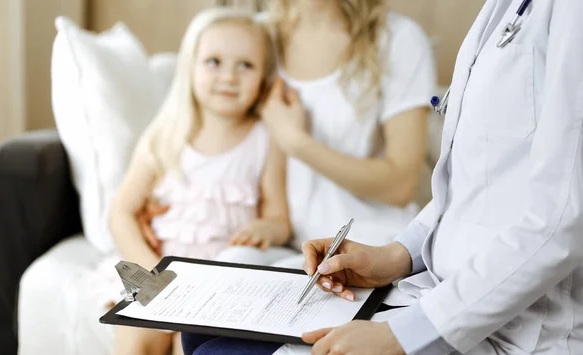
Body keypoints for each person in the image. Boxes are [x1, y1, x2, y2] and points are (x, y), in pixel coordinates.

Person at [198, 0, 583, 354]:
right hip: (439, 290)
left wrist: (405, 335)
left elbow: (563, 220)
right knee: (199, 329)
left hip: (514, 329)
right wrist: (395, 255)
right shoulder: (504, 9)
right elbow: (473, 188)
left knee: (219, 351)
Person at [139, 0, 435, 272]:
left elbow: (401, 185)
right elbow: (209, 131)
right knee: (230, 268)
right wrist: (167, 204)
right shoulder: (255, 36)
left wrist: (297, 142)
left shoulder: (397, 39)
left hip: (370, 247)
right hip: (282, 246)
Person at [99, 7, 288, 355]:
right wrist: (148, 273)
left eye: (245, 65)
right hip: (155, 273)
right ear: (190, 67)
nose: (229, 76)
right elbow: (121, 212)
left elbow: (279, 219)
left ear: (264, 77)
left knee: (187, 347)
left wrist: (266, 229)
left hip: (214, 286)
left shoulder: (265, 140)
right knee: (136, 342)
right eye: (214, 61)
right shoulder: (168, 133)